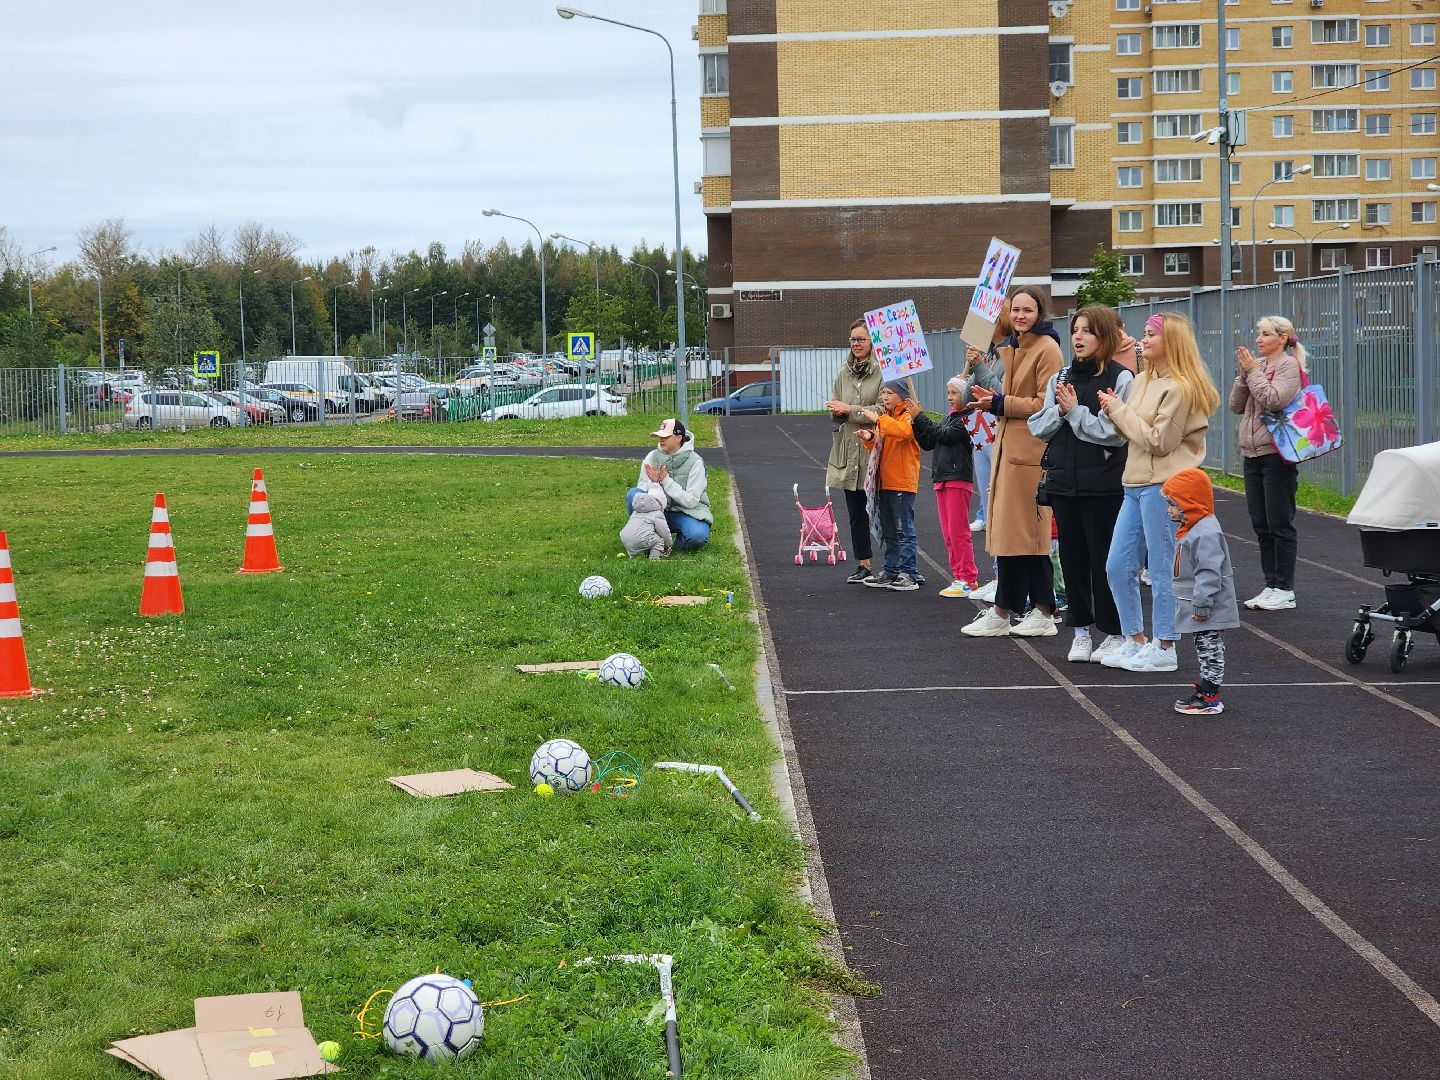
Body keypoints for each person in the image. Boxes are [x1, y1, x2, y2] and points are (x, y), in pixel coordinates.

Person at [1099, 312, 1219, 672]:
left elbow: (1159, 441)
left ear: (1172, 343)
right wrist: (1112, 412)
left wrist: (1118, 411)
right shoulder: (1142, 381)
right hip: (1134, 484)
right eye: (1145, 334)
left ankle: (1165, 645)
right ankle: (1136, 640)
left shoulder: (1179, 388)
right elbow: (1129, 431)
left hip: (1163, 487)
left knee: (1164, 568)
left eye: (1151, 335)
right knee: (1118, 564)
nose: (1143, 339)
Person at [1028, 305, 1134, 663]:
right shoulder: (1059, 378)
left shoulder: (1121, 378)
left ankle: (1115, 631)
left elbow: (1115, 434)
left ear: (1104, 336)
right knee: (1072, 560)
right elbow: (1038, 427)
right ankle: (1081, 632)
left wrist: (1074, 412)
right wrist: (1060, 410)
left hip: (1103, 484)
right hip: (1063, 483)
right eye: (1075, 330)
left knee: (1106, 561)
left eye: (1087, 330)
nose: (1078, 336)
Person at [962, 286, 1065, 638]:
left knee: (1028, 535)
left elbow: (1044, 404)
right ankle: (1014, 609)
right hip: (1010, 450)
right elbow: (1007, 397)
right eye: (1016, 309)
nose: (1020, 315)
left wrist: (999, 403)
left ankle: (1032, 610)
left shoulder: (1048, 349)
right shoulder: (1016, 346)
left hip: (1030, 454)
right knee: (1011, 535)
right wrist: (991, 399)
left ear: (1040, 313)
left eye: (1028, 310)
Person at [1230, 315, 1305, 612]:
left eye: (1265, 334)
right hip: (1252, 454)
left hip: (1277, 455)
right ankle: (1270, 584)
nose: (1258, 339)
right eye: (1258, 333)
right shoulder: (1256, 367)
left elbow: (1274, 399)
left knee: (1279, 522)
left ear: (1282, 338)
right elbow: (1236, 405)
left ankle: (1285, 587)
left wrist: (1253, 373)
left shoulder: (1289, 366)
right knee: (1261, 523)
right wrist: (1244, 375)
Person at [1162, 468, 1239, 715]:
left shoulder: (1205, 532)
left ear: (1189, 503)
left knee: (1210, 647)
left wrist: (1202, 603)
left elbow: (1209, 571)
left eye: (1173, 505)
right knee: (1204, 646)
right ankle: (1206, 686)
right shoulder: (1193, 528)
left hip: (1207, 606)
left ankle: (1211, 695)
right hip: (1198, 603)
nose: (1169, 511)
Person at [908, 376, 979, 596]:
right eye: (948, 393)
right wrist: (916, 423)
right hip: (943, 479)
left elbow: (944, 436)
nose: (950, 397)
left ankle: (968, 578)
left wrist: (920, 416)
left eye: (954, 393)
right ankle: (958, 575)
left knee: (958, 532)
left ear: (965, 395)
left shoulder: (967, 419)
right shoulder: (949, 418)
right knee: (948, 532)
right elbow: (929, 442)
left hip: (957, 478)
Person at [826, 319, 885, 584]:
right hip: (849, 450)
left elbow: (881, 412)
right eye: (852, 339)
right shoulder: (843, 373)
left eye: (861, 339)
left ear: (873, 343)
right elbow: (837, 411)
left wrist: (849, 410)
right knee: (855, 513)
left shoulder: (883, 373)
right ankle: (863, 564)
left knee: (886, 511)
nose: (856, 344)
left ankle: (897, 565)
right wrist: (837, 413)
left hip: (875, 449)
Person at [856, 379, 922, 591]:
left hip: (902, 483)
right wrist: (869, 437)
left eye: (889, 393)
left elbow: (904, 432)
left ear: (902, 396)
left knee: (904, 531)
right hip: (884, 483)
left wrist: (879, 421)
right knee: (890, 531)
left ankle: (909, 573)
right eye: (883, 393)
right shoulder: (888, 418)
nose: (884, 397)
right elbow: (880, 448)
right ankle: (891, 570)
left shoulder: (908, 415)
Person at [960, 302, 1010, 535]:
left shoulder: (1009, 354)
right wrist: (974, 366)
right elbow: (965, 396)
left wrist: (980, 368)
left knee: (1000, 487)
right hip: (981, 427)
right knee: (984, 482)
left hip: (1001, 428)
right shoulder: (989, 353)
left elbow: (1002, 393)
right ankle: (984, 514)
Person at [628, 418, 711, 550]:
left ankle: (673, 545)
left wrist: (666, 481)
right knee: (634, 495)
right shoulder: (652, 457)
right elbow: (642, 491)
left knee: (697, 537)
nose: (661, 439)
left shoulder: (696, 462)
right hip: (658, 511)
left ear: (679, 438)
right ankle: (646, 538)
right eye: (659, 436)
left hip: (687, 512)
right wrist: (654, 483)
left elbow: (692, 501)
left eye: (666, 436)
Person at [620, 483, 671, 560]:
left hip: (625, 538)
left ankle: (634, 557)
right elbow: (664, 531)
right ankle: (654, 558)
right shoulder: (657, 514)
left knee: (640, 540)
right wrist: (668, 544)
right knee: (659, 541)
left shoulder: (636, 512)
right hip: (642, 539)